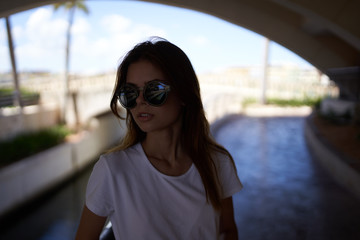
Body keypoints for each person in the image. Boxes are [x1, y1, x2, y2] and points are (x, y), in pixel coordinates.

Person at [75, 37, 243, 240]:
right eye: (130, 92)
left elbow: (228, 231)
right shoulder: (112, 171)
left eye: (153, 90)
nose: (139, 101)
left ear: (183, 94)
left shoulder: (217, 163)